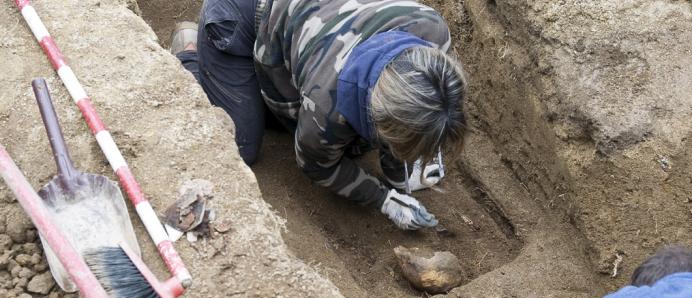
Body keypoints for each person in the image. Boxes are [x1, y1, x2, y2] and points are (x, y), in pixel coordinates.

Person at [170, 0, 468, 230]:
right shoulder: (326, 101)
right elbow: (317, 166)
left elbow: (416, 109)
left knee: (353, 138)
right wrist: (383, 198)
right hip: (241, 15)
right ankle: (192, 52)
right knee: (241, 144)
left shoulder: (433, 33)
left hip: (305, 20)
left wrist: (400, 171)